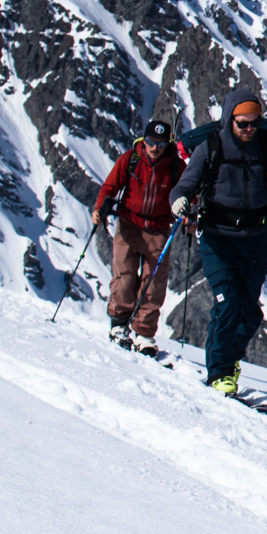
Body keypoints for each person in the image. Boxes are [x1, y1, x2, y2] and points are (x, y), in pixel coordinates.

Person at [168, 87, 267, 397]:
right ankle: (220, 372)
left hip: (255, 239)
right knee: (228, 303)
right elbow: (183, 188)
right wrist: (179, 205)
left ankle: (229, 360)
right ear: (229, 119)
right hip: (217, 238)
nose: (249, 129)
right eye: (243, 123)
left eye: (254, 123)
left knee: (250, 312)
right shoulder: (210, 147)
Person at [92, 118, 186, 358]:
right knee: (124, 276)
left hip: (159, 229)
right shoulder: (130, 159)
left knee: (153, 284)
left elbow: (188, 192)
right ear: (143, 141)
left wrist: (188, 213)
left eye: (160, 144)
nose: (154, 148)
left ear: (168, 144)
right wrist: (99, 208)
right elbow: (109, 187)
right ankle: (119, 325)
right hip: (128, 224)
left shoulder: (176, 167)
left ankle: (144, 333)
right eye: (150, 142)